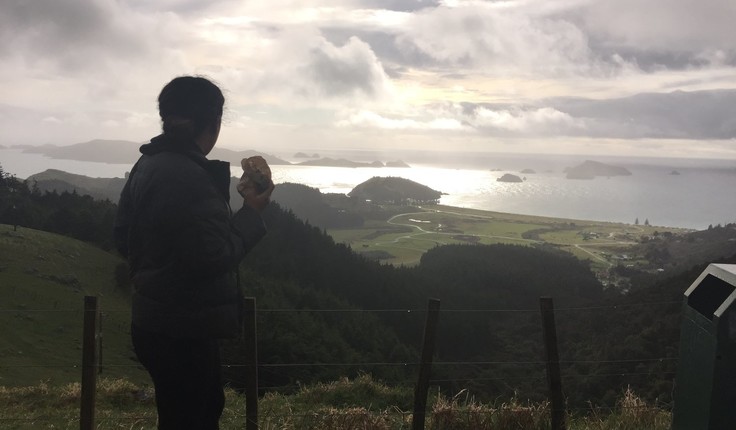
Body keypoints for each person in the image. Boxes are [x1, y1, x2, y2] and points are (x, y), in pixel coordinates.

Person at [114, 76, 274, 429]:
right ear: (214, 124)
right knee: (194, 418)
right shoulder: (188, 175)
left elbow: (122, 234)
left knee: (183, 413)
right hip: (182, 330)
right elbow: (213, 256)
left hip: (154, 321)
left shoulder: (149, 164)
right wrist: (251, 214)